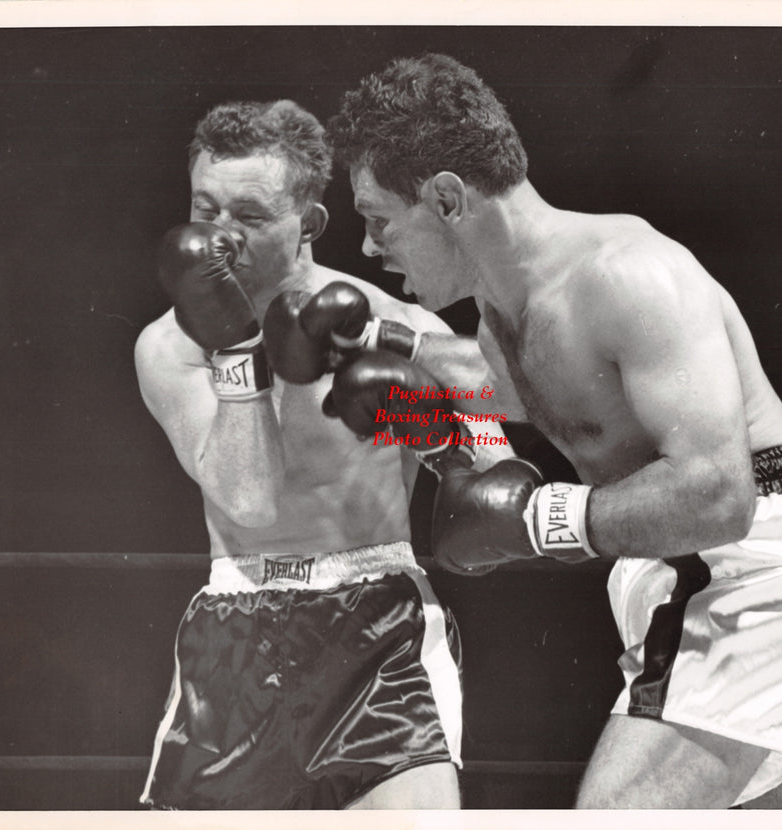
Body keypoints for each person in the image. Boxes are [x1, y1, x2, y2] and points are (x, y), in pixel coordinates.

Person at [325, 54, 782, 809]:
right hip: (715, 584)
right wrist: (390, 381)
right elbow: (493, 396)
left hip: (752, 575)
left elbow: (720, 492)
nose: (367, 247)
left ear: (449, 200)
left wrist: (535, 520)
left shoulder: (627, 273)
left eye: (379, 219)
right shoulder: (502, 313)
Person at [134, 98, 509, 810]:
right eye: (203, 209)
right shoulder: (169, 347)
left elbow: (498, 493)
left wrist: (431, 432)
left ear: (309, 224)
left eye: (247, 217)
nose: (217, 238)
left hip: (380, 636)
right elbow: (247, 500)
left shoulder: (405, 329)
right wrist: (240, 348)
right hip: (234, 634)